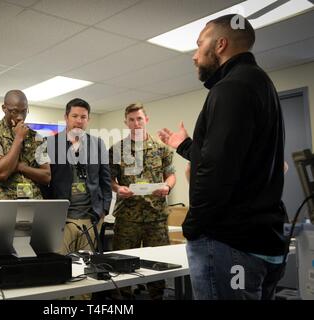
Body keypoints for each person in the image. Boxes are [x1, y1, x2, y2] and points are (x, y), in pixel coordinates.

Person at [158, 14, 286, 300]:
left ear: (221, 45)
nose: (194, 55)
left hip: (229, 244)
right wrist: (184, 144)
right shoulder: (260, 84)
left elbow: (214, 172)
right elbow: (230, 158)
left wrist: (193, 228)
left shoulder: (230, 88)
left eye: (199, 44)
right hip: (261, 242)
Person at [109, 103, 176, 300]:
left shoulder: (161, 148)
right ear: (126, 122)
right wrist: (118, 188)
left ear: (146, 120)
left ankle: (157, 296)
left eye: (139, 119)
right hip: (128, 216)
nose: (136, 123)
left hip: (155, 216)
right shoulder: (117, 149)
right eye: (131, 119)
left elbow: (171, 175)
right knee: (122, 261)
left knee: (158, 262)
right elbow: (110, 180)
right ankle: (124, 300)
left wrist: (167, 187)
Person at [43, 98, 112, 255]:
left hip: (91, 219)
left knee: (88, 270)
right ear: (66, 117)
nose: (79, 121)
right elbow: (44, 181)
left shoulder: (98, 144)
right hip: (63, 219)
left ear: (88, 119)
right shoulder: (50, 143)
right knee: (61, 266)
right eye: (74, 116)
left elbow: (105, 180)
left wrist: (104, 210)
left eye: (83, 117)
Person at [0, 90, 50, 200]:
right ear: (4, 108)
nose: (20, 117)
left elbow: (46, 176)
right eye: (14, 111)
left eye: (24, 111)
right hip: (3, 203)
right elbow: (1, 173)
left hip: (32, 201)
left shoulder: (37, 137)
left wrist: (21, 167)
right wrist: (18, 138)